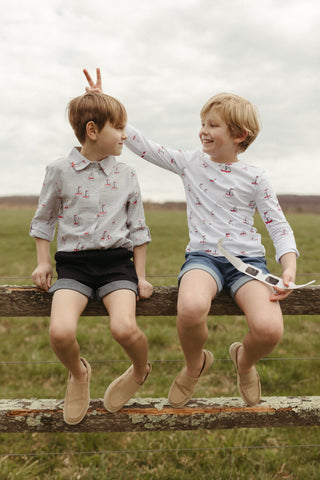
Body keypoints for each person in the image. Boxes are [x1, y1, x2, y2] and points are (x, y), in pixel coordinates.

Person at [84, 68, 298, 407]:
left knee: (270, 330)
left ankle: (244, 361)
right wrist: (105, 107)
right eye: (203, 123)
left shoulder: (256, 177)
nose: (203, 131)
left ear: (240, 135)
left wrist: (289, 268)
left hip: (248, 264)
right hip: (203, 257)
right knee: (191, 307)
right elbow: (145, 147)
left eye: (213, 125)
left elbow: (278, 226)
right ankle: (194, 364)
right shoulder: (190, 163)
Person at [30, 91, 153, 425]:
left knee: (125, 328)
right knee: (60, 333)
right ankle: (79, 373)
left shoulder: (127, 173)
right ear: (93, 130)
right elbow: (44, 221)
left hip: (117, 265)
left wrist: (140, 276)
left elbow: (138, 229)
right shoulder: (58, 170)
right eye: (119, 127)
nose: (125, 135)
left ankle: (140, 371)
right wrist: (43, 262)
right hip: (74, 266)